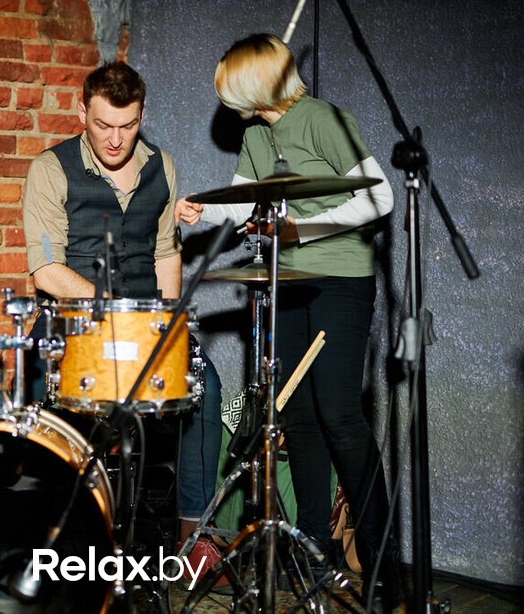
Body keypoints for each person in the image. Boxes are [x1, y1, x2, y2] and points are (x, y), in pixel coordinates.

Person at [176, 34, 402, 610]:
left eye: (231, 82)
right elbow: (255, 200)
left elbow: (379, 199)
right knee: (297, 417)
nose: (225, 95)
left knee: (339, 415)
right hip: (287, 283)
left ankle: (381, 564)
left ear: (255, 81)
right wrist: (208, 208)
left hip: (339, 282)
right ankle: (315, 550)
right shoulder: (256, 133)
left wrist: (304, 230)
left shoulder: (323, 118)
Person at [21, 61, 225, 586]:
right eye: (103, 125)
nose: (115, 139)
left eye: (128, 125)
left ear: (142, 116)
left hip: (146, 323)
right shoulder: (50, 169)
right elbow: (46, 271)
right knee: (39, 378)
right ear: (82, 111)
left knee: (205, 382)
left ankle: (194, 539)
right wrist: (112, 308)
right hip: (74, 320)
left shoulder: (163, 165)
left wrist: (170, 325)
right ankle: (54, 537)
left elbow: (164, 255)